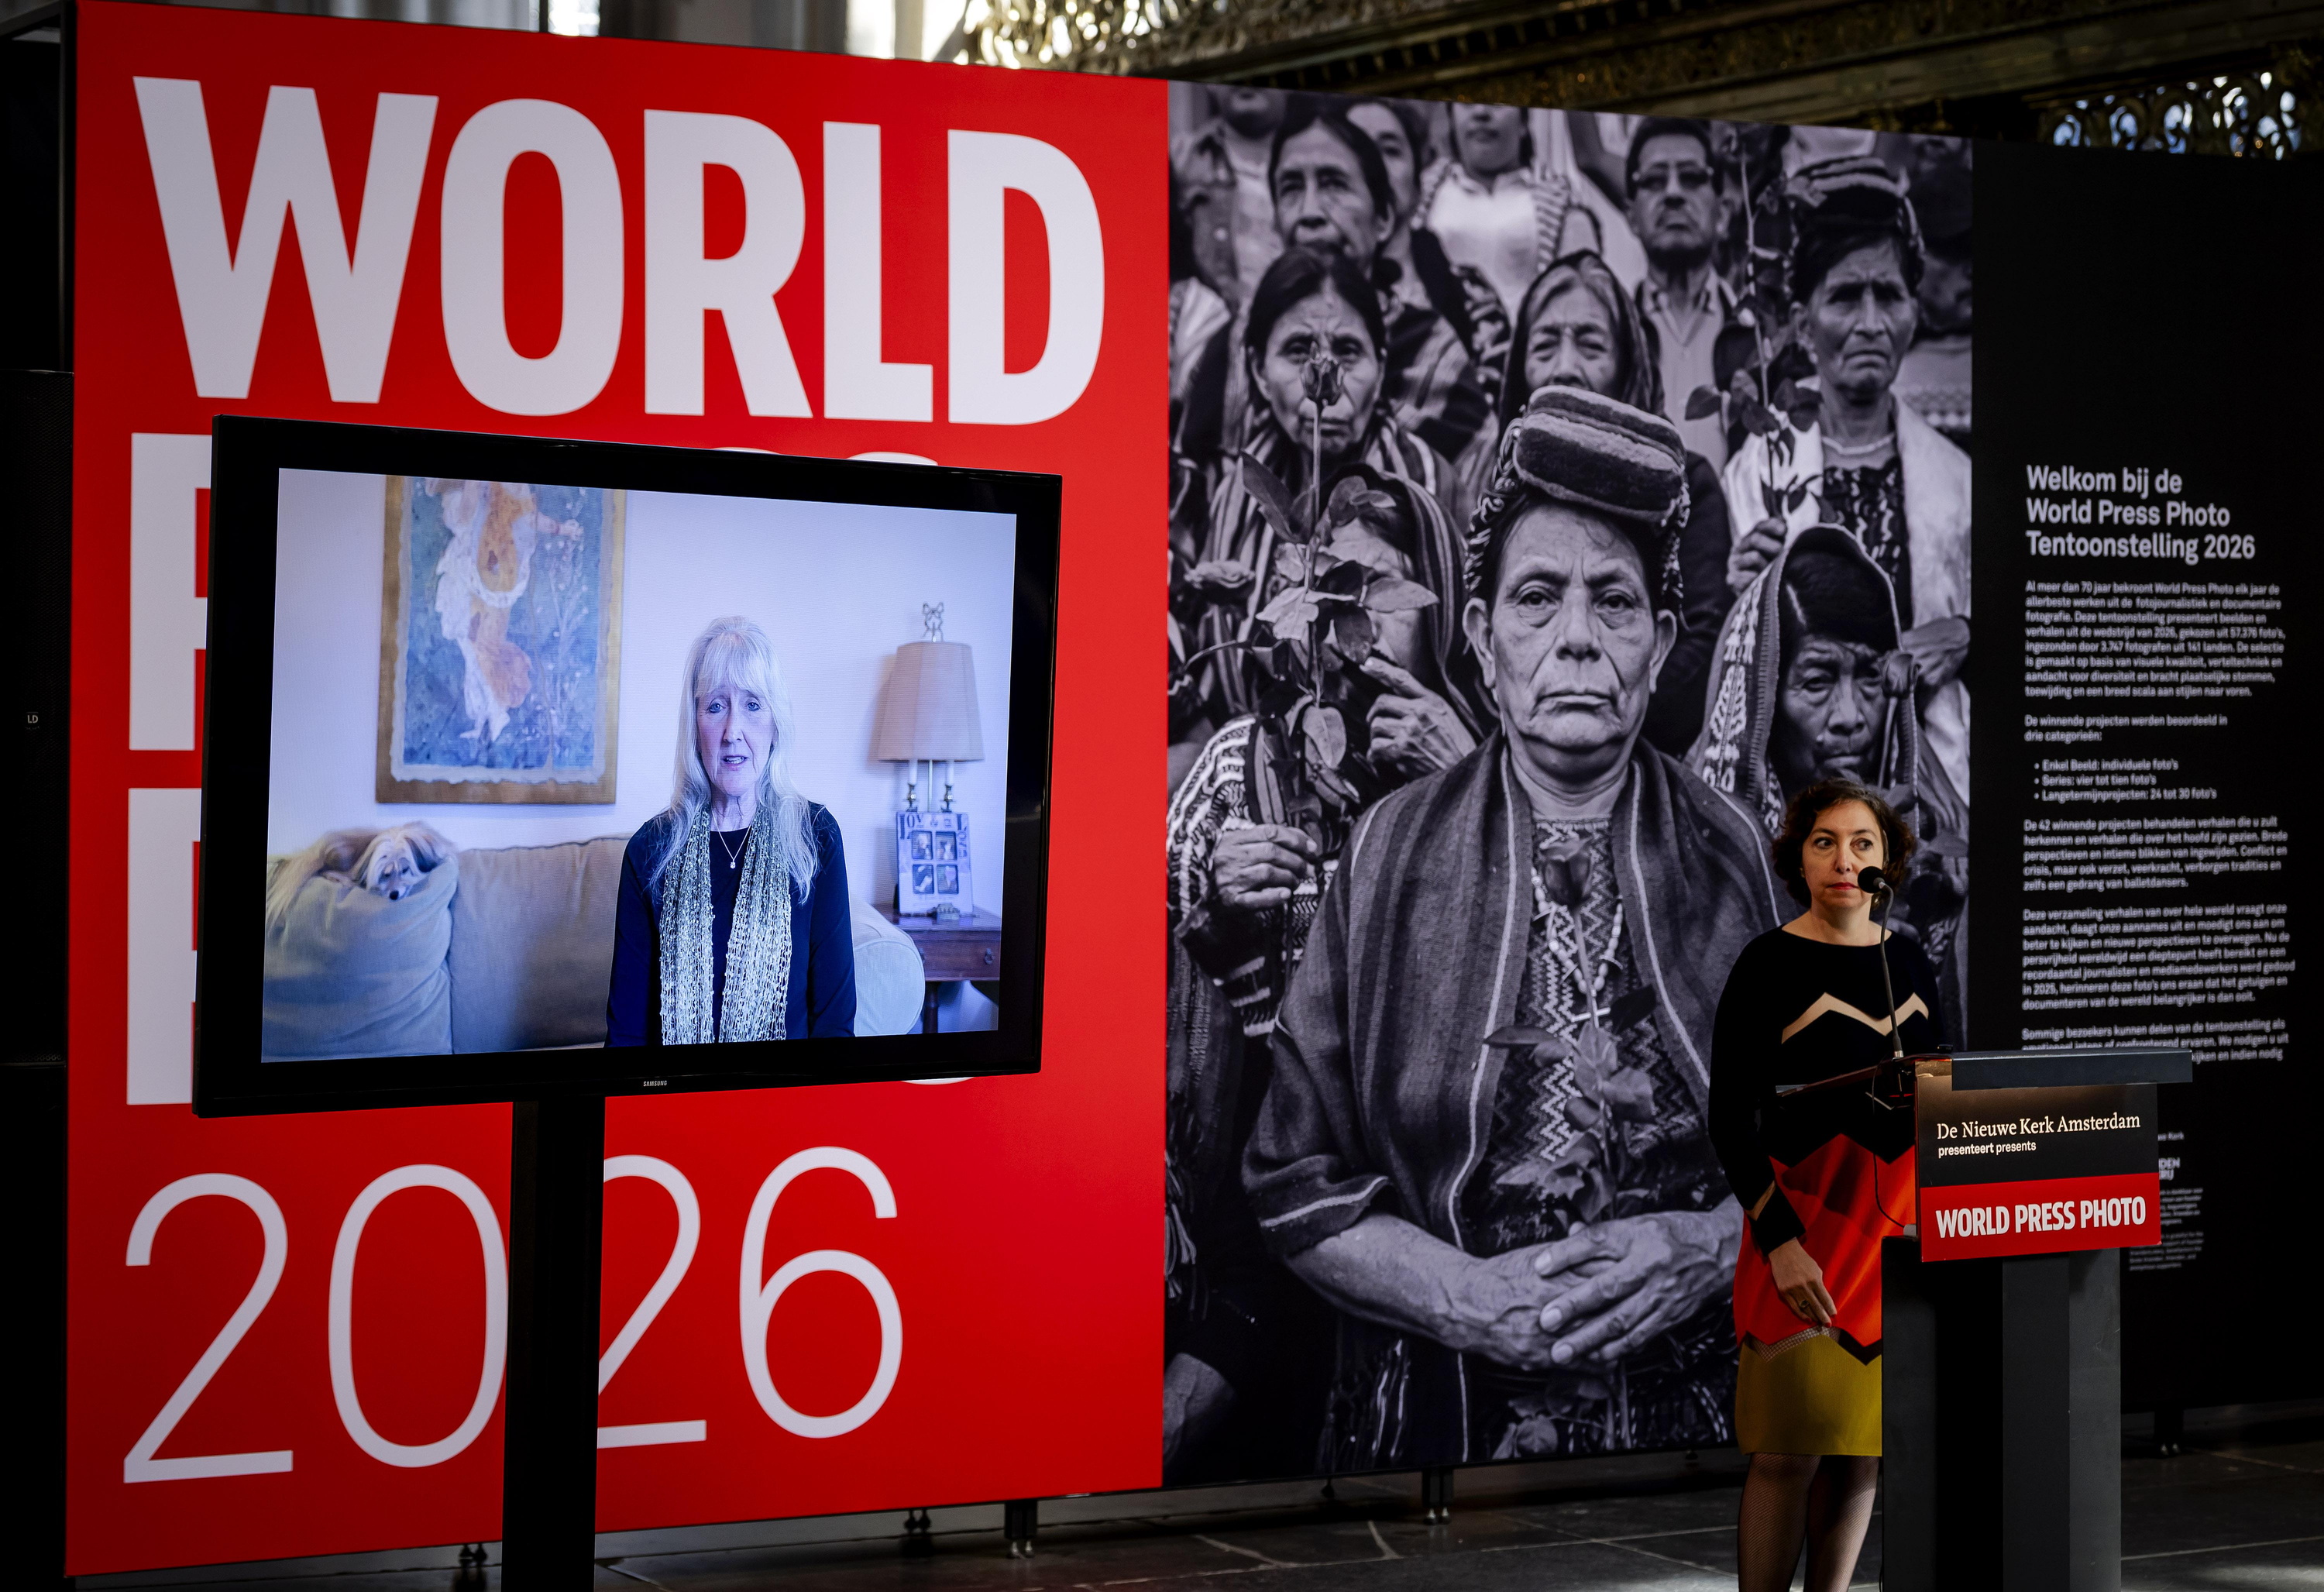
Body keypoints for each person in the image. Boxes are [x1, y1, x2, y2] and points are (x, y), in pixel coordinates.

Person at [1243, 387, 1785, 1467]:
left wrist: (1712, 1245)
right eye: (1538, 598)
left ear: (1662, 637)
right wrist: (1459, 1296)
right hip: (1443, 1460)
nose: (1578, 638)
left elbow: (1854, 1156)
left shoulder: (1739, 853)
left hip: (1712, 1458)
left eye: (1615, 602)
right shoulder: (1392, 854)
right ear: (1485, 639)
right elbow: (1291, 1179)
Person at [1164, 465, 1483, 1481]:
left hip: (1433, 1152)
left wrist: (1461, 769)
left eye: (1384, 596)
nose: (1355, 624)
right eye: (1332, 591)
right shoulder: (1241, 760)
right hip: (1258, 1140)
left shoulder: (1482, 758)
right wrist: (1214, 898)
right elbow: (1168, 947)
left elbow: (1539, 934)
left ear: (1436, 620)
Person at [1707, 779, 1941, 1592]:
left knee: (1860, 1446)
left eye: (1863, 844)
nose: (1846, 860)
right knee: (1787, 1451)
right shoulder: (1767, 964)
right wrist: (1780, 1245)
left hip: (1893, 1243)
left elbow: (1940, 1098)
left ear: (1889, 860)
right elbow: (1727, 1121)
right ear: (1798, 858)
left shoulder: (1907, 959)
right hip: (1802, 1232)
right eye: (1825, 843)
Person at [1723, 156, 1972, 806]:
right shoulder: (1757, 468)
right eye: (1844, 296)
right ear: (1803, 324)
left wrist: (1967, 634)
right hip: (1802, 791)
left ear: (1914, 313)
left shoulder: (1960, 480)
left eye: (1888, 295)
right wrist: (1742, 603)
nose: (1869, 323)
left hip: (1934, 785)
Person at [1691, 528, 1968, 1025]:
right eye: (1817, 681)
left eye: (1868, 677)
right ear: (1761, 700)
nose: (1850, 716)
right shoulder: (1701, 858)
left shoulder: (1936, 863)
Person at [1181, 248, 1453, 730]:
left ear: (1382, 366)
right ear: (1259, 372)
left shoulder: (1425, 487)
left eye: (1348, 351)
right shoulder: (1237, 491)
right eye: (1298, 350)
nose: (1325, 377)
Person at [1502, 249, 1735, 755]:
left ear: (1628, 366)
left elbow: (1702, 647)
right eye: (1544, 345)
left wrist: (1588, 727)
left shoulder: (1684, 484)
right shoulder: (1493, 493)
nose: (1565, 368)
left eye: (1591, 345)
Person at [607, 617, 854, 1045]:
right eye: (716, 706)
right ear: (695, 724)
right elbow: (627, 1036)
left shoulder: (816, 837)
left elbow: (834, 1026)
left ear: (776, 723)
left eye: (753, 704)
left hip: (784, 1102)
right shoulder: (650, 851)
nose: (732, 733)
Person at [1622, 118, 1745, 471]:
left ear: (1722, 213)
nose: (1673, 193)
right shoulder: (1614, 338)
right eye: (1654, 181)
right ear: (1631, 216)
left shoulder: (1761, 339)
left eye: (1692, 178)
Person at [1421, 105, 1600, 321]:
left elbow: (1584, 302)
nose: (1481, 112)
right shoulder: (1423, 196)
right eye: (1465, 102)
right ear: (1451, 118)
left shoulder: (1562, 205)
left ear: (1524, 122)